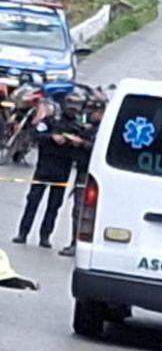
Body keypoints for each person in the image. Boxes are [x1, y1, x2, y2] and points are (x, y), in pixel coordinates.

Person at [11, 98, 73, 248]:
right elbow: (35, 135)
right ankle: (23, 233)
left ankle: (45, 236)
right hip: (44, 168)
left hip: (62, 170)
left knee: (54, 206)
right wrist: (51, 137)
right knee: (33, 201)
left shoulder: (76, 126)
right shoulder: (49, 122)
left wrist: (72, 141)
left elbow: (85, 143)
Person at [59, 89, 104, 257]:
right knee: (77, 210)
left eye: (92, 112)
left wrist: (82, 143)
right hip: (83, 171)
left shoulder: (104, 129)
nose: (89, 115)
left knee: (83, 210)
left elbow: (99, 149)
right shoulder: (90, 126)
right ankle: (74, 242)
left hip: (93, 175)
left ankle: (78, 244)